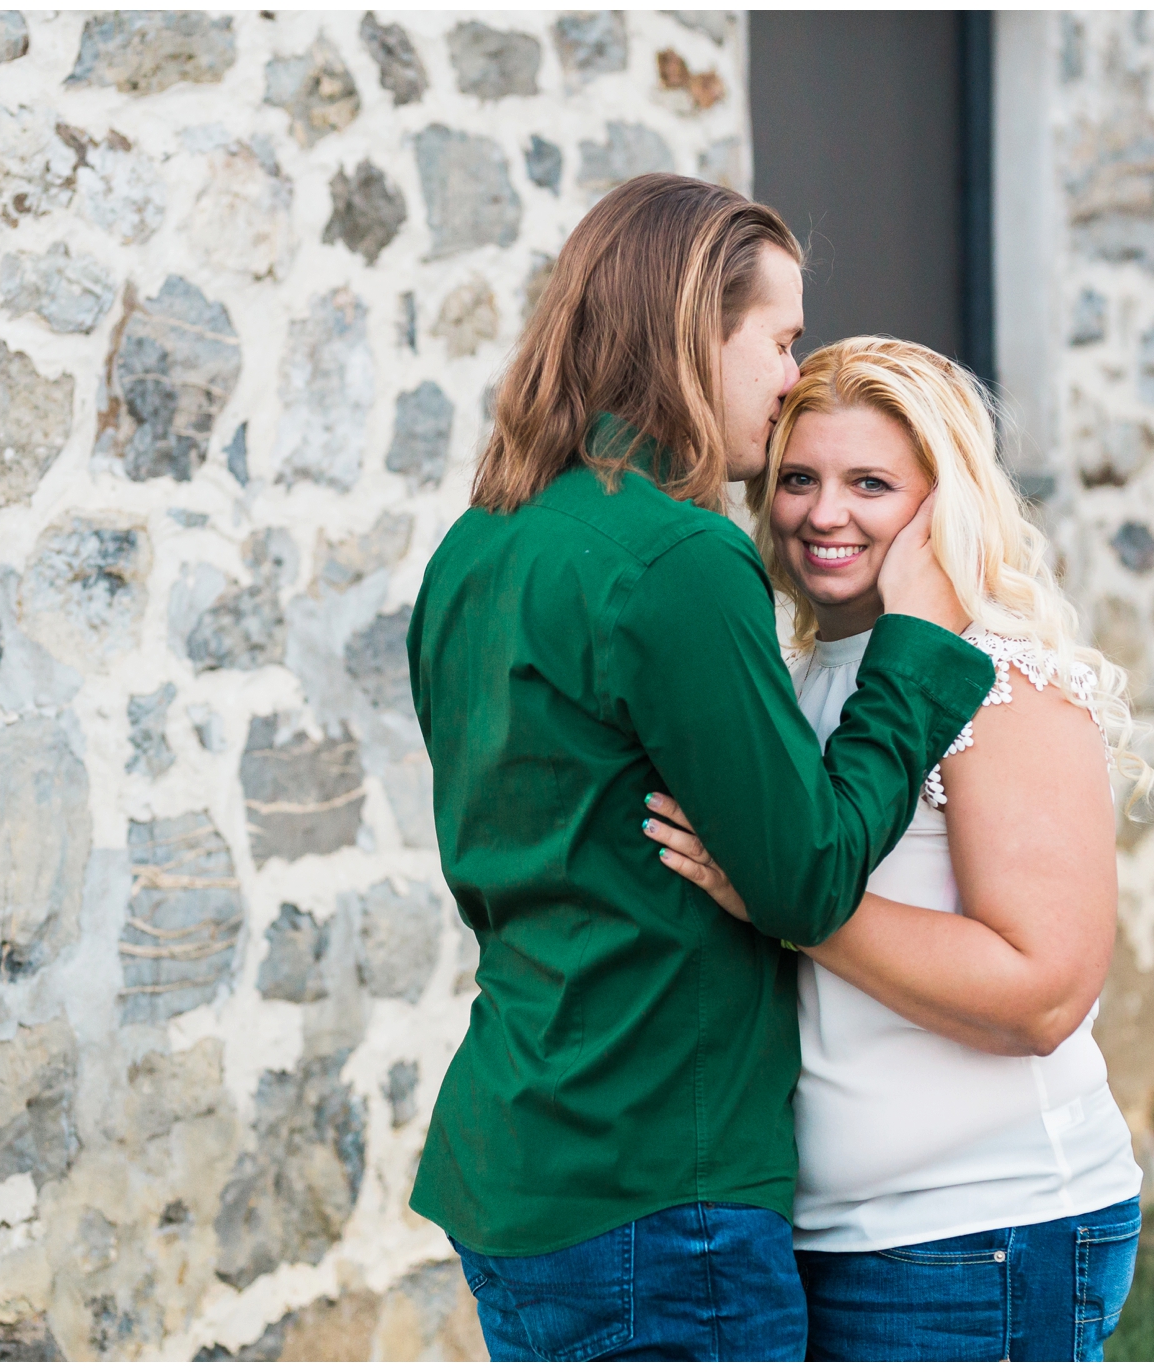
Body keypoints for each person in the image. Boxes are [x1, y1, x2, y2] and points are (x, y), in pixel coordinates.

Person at [405, 177, 997, 1360]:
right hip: (653, 1187)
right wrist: (916, 656)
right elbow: (810, 878)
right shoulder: (679, 555)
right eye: (776, 341)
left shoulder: (477, 544)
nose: (791, 377)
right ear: (689, 333)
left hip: (516, 1153)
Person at [642, 336, 1154, 1362]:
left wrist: (787, 899)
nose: (822, 513)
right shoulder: (786, 678)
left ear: (941, 501)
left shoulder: (997, 685)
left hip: (979, 1234)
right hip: (818, 1239)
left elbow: (1042, 992)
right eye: (798, 478)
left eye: (868, 483)